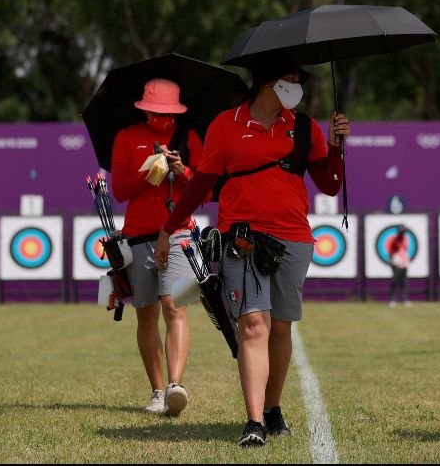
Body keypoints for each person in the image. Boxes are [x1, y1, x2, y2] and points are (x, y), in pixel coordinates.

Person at [153, 51, 350, 447]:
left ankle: (273, 409)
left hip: (294, 238)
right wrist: (168, 227)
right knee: (252, 325)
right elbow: (200, 184)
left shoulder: (306, 127)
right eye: (290, 78)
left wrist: (335, 148)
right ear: (267, 82)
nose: (296, 87)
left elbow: (330, 184)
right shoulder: (227, 125)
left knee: (280, 328)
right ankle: (255, 421)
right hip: (241, 238)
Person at [111, 78, 204, 416]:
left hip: (178, 233)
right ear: (144, 109)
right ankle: (156, 391)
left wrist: (183, 171)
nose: (161, 119)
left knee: (174, 305)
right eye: (154, 112)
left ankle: (175, 385)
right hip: (137, 236)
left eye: (167, 114)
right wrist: (146, 173)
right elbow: (119, 191)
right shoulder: (126, 137)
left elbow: (203, 192)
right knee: (146, 313)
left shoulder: (189, 137)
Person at [388, 224, 411, 307]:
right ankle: (392, 300)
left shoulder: (405, 239)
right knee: (395, 281)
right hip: (396, 262)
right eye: (401, 232)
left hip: (404, 262)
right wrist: (392, 260)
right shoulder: (393, 239)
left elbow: (405, 250)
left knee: (403, 281)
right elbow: (391, 250)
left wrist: (404, 261)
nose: (402, 234)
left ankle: (404, 299)